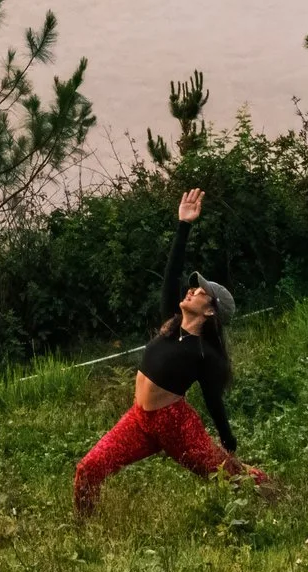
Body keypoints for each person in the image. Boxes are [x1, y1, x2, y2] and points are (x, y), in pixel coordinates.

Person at [73, 186, 276, 513]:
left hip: (176, 426)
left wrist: (229, 444)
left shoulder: (205, 355)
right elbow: (171, 274)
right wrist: (184, 225)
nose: (192, 290)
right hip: (140, 420)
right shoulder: (170, 321)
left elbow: (214, 402)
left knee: (230, 475)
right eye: (194, 287)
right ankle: (83, 534)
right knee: (88, 468)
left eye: (200, 292)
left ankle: (275, 495)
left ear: (210, 311)